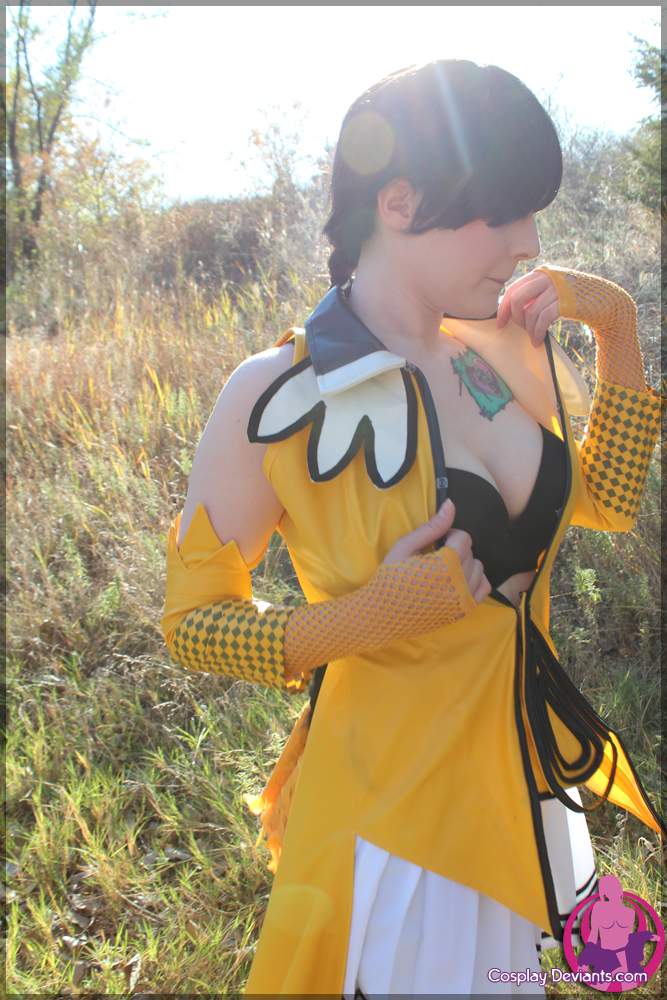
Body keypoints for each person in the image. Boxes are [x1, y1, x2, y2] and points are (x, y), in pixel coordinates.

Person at [160, 60, 664, 996]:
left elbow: (605, 499)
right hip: (393, 830)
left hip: (519, 780)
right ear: (396, 202)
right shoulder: (278, 393)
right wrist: (359, 619)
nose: (527, 242)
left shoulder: (496, 348)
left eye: (530, 214)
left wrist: (618, 326)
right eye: (500, 213)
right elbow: (190, 624)